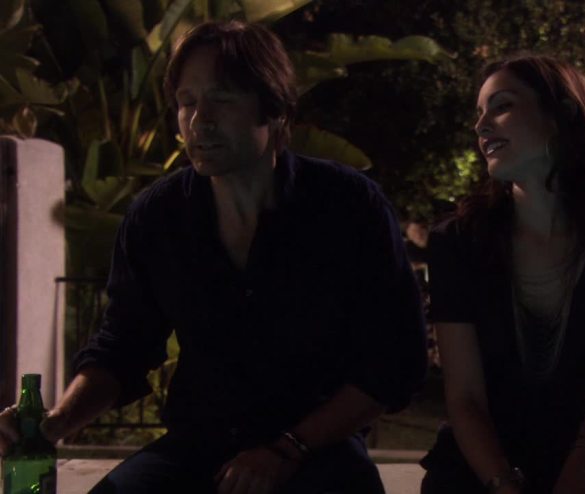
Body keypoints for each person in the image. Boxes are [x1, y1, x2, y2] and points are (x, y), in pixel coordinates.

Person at [0, 20, 427, 494]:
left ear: (275, 109)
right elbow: (124, 345)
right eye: (187, 102)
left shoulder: (347, 206)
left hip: (317, 445)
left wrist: (287, 449)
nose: (199, 120)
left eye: (222, 99)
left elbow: (395, 361)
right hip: (198, 445)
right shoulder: (158, 216)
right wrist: (57, 421)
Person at [419, 53, 585, 494]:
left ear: (562, 114)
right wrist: (504, 484)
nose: (481, 126)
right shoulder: (458, 244)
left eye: (501, 106)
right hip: (483, 453)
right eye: (478, 113)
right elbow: (465, 399)